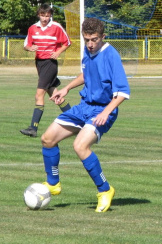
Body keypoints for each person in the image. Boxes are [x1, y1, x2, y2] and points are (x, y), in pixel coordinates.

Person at [40, 17, 130, 213]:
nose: (90, 44)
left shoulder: (111, 55)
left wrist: (106, 112)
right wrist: (66, 89)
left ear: (103, 37)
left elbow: (123, 92)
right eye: (87, 39)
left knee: (80, 146)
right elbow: (86, 74)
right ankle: (53, 184)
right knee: (47, 139)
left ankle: (105, 190)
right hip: (84, 107)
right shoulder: (88, 52)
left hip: (103, 109)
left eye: (94, 40)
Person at [20, 3, 72, 138]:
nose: (45, 19)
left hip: (50, 64)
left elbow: (67, 43)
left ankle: (33, 128)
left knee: (39, 95)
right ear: (39, 15)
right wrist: (29, 48)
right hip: (39, 63)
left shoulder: (56, 27)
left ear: (50, 16)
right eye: (43, 16)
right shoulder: (33, 28)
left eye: (47, 16)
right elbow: (26, 44)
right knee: (55, 95)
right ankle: (76, 119)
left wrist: (58, 52)